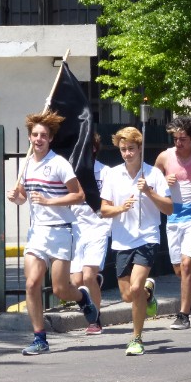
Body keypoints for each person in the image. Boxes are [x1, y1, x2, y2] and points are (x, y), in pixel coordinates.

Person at [6, 111, 99, 356]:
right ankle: (40, 338)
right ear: (29, 137)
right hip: (37, 232)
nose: (39, 139)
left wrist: (49, 201)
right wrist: (16, 197)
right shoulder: (26, 164)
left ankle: (82, 298)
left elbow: (79, 195)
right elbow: (24, 197)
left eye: (43, 135)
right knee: (31, 283)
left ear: (50, 139)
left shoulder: (59, 164)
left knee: (60, 290)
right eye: (35, 135)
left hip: (60, 231)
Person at [99, 126, 173, 356]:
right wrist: (120, 208)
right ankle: (148, 293)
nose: (127, 153)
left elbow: (169, 209)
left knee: (135, 286)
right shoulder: (112, 174)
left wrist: (149, 192)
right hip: (122, 240)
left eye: (131, 148)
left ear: (140, 148)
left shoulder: (153, 174)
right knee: (127, 295)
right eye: (123, 149)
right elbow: (104, 209)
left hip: (147, 237)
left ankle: (136, 338)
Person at [154, 116, 191, 331]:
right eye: (175, 139)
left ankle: (183, 315)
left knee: (187, 265)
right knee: (179, 270)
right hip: (174, 216)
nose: (178, 143)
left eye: (183, 139)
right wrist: (162, 181)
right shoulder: (165, 157)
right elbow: (151, 182)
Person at [70, 133, 111, 335]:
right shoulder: (71, 171)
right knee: (76, 282)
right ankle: (95, 282)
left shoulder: (105, 172)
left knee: (87, 276)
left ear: (94, 149)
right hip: (77, 229)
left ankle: (95, 320)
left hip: (98, 227)